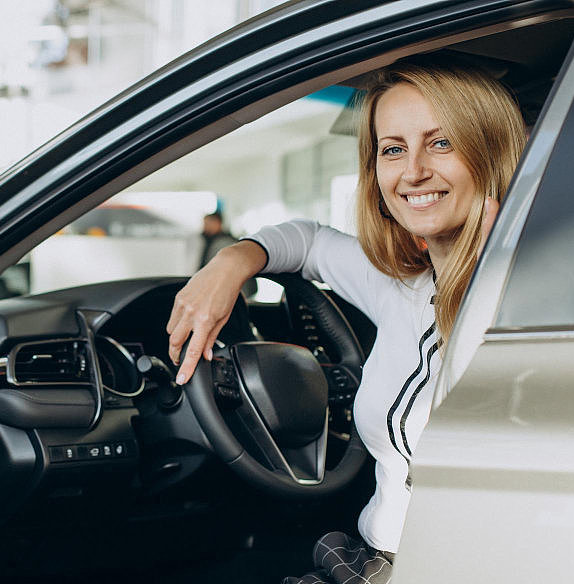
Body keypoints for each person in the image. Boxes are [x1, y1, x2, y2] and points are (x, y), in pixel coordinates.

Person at [165, 55, 527, 583]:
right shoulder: (404, 286)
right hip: (376, 559)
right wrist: (230, 263)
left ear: (491, 151)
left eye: (441, 142)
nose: (413, 171)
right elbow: (308, 242)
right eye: (393, 150)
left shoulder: (531, 302)